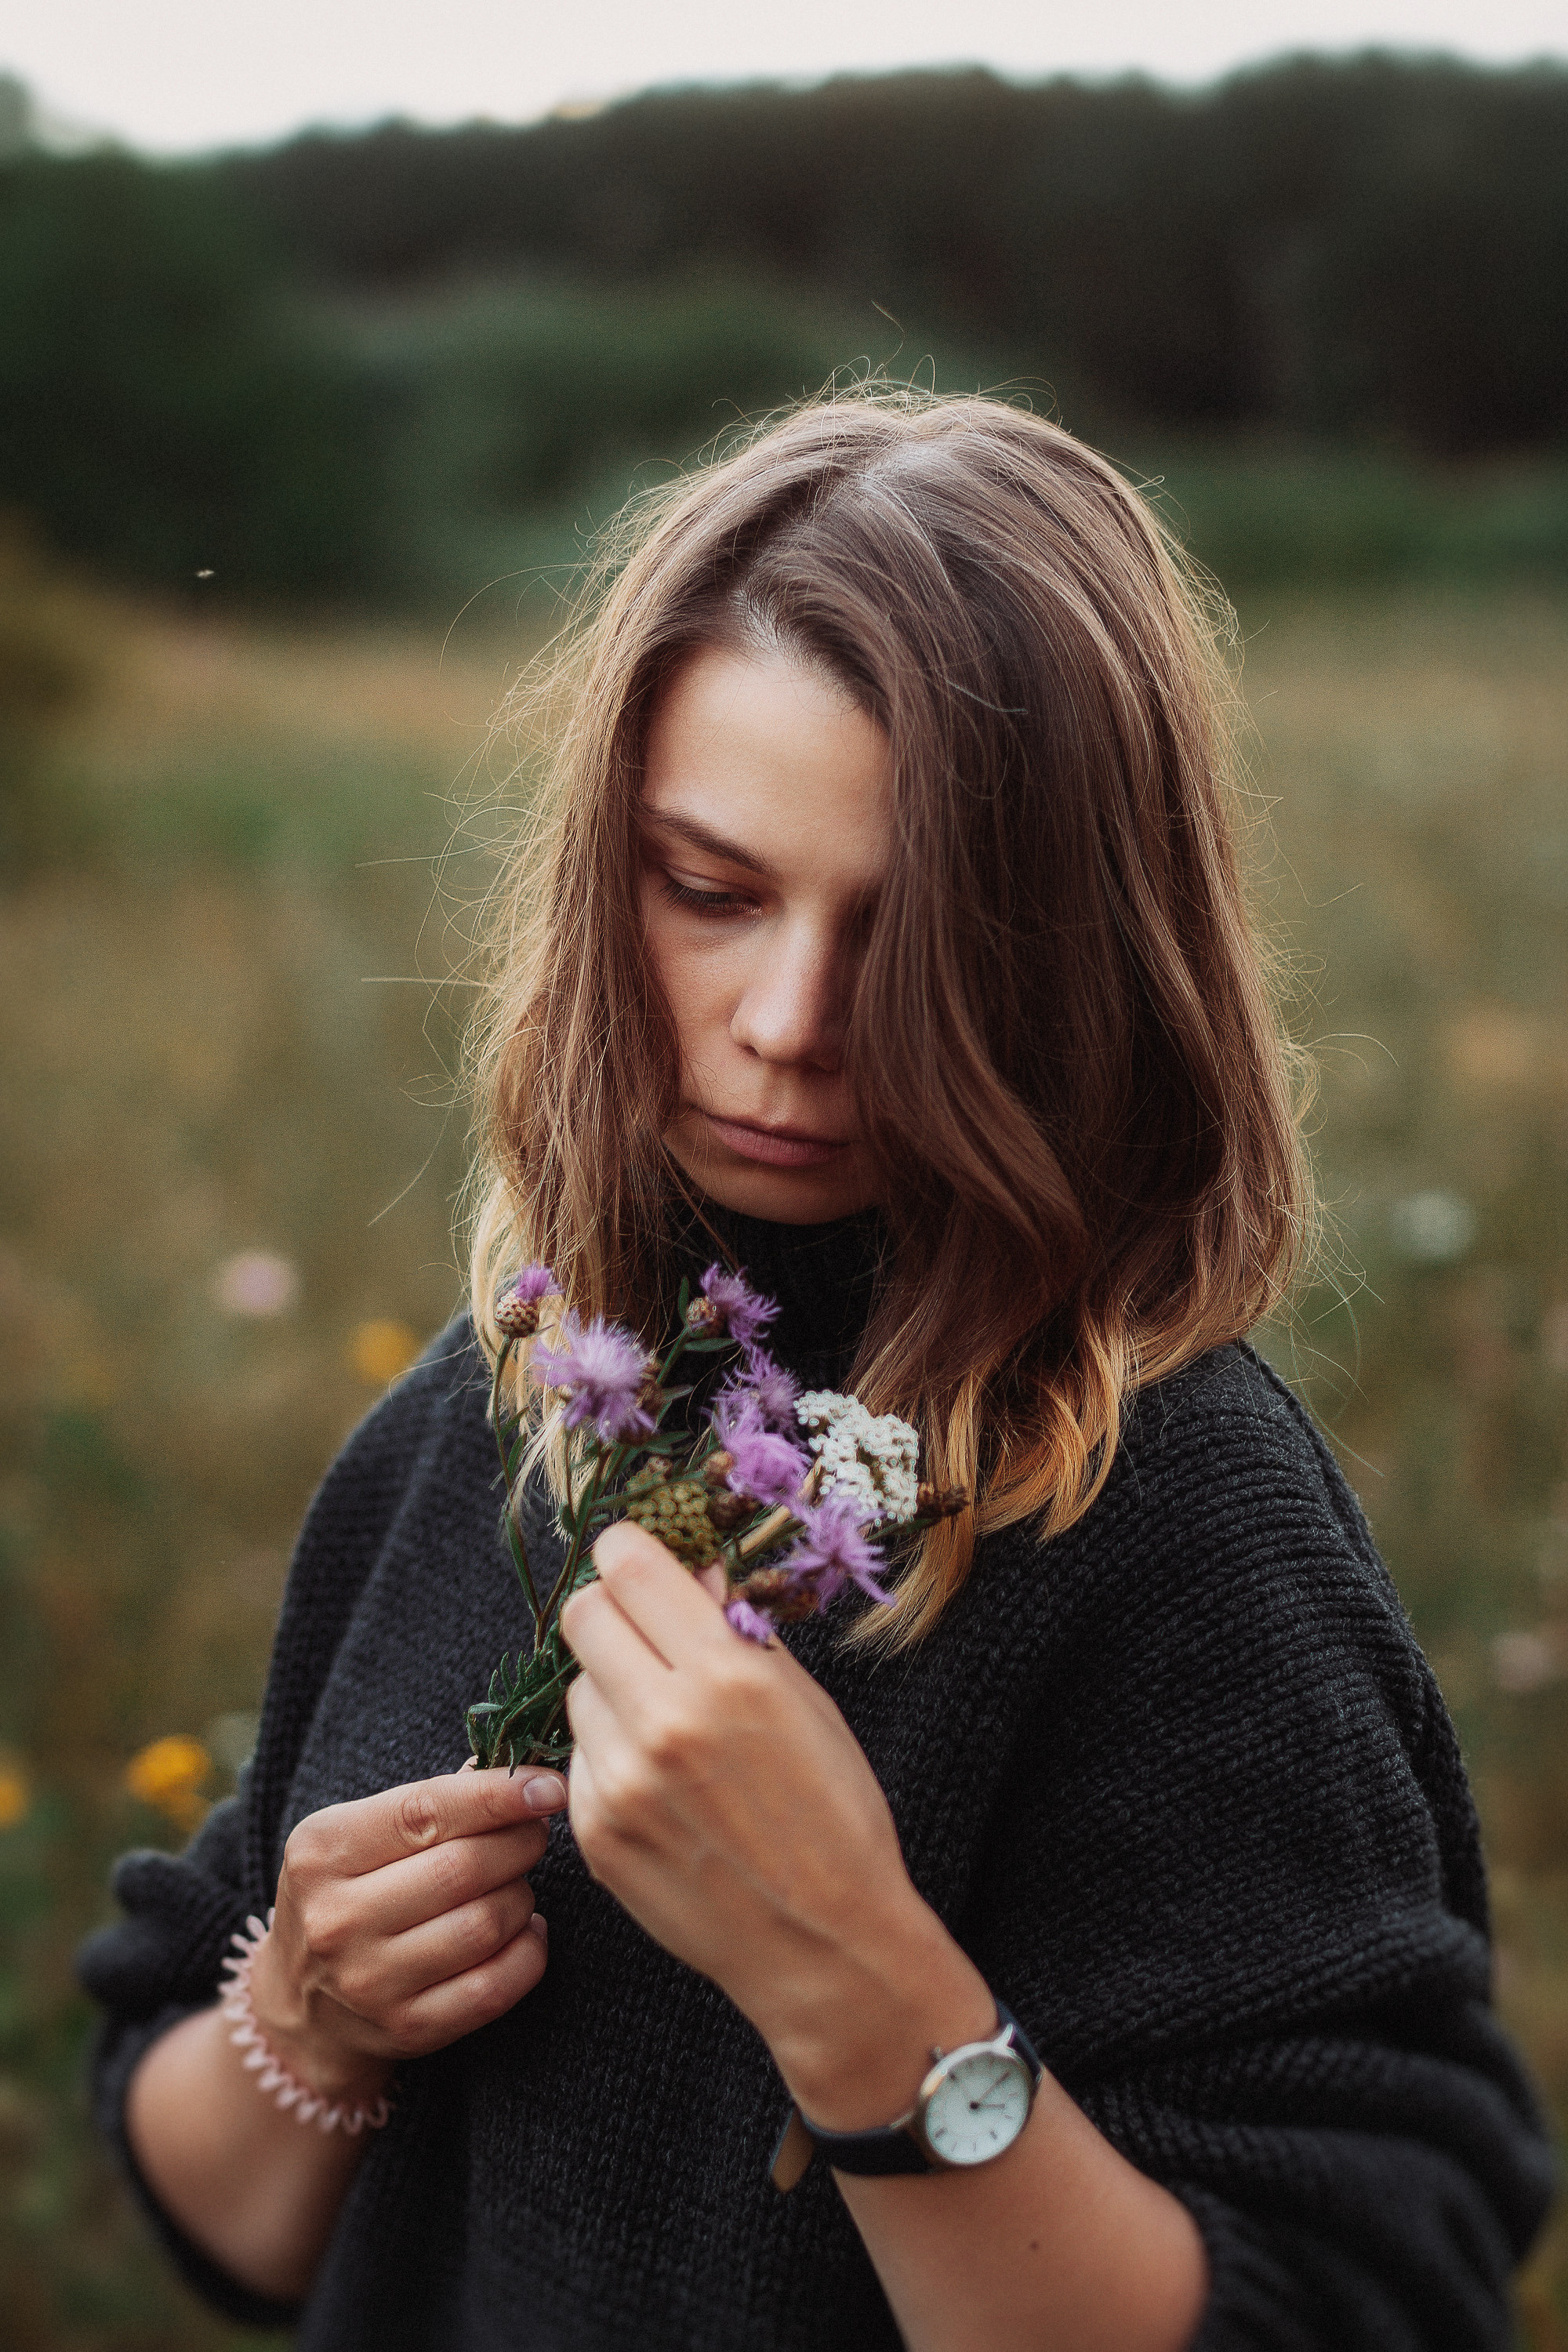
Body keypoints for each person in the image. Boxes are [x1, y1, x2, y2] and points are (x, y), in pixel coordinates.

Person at [81, 391, 1552, 2350]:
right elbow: (232, 2227)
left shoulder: (1179, 1533)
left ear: (1082, 953)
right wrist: (305, 2019)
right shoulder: (492, 1413)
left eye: (916, 931)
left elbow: (1375, 2299)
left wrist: (854, 1980)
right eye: (710, 890)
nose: (787, 1023)